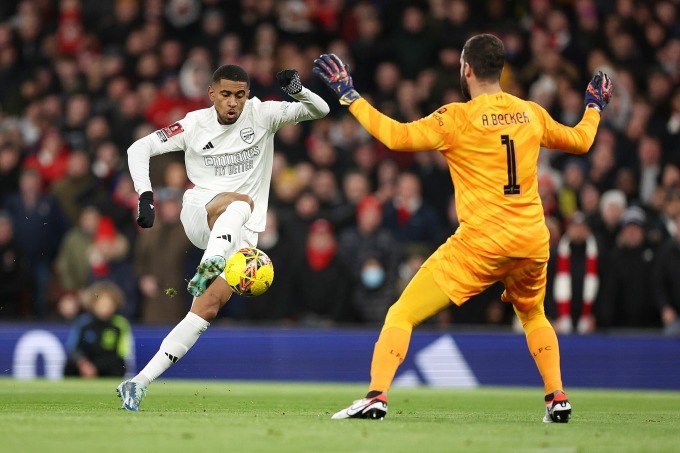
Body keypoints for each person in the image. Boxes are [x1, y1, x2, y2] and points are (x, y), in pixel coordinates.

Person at [313, 33, 612, 423]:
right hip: (531, 240)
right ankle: (556, 397)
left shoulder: (456, 118)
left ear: (466, 69)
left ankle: (376, 395)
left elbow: (395, 136)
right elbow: (581, 141)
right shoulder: (530, 113)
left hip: (482, 243)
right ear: (499, 70)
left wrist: (349, 95)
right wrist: (593, 107)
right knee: (535, 316)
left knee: (401, 313)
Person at [117, 64, 329, 410]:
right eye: (227, 94)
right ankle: (211, 260)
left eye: (240, 95)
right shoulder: (193, 124)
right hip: (201, 212)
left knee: (206, 310)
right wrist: (145, 194)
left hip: (242, 236)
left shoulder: (263, 114)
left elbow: (321, 109)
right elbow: (137, 149)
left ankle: (138, 382)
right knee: (241, 201)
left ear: (247, 94)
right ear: (212, 94)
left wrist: (297, 89)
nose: (233, 102)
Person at [63, 281, 132, 378]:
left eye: (108, 304)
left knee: (118, 366)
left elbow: (122, 353)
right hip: (86, 364)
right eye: (101, 304)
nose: (105, 308)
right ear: (93, 304)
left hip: (108, 365)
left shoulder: (120, 324)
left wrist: (96, 367)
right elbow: (73, 348)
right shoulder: (83, 322)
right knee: (69, 366)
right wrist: (84, 364)